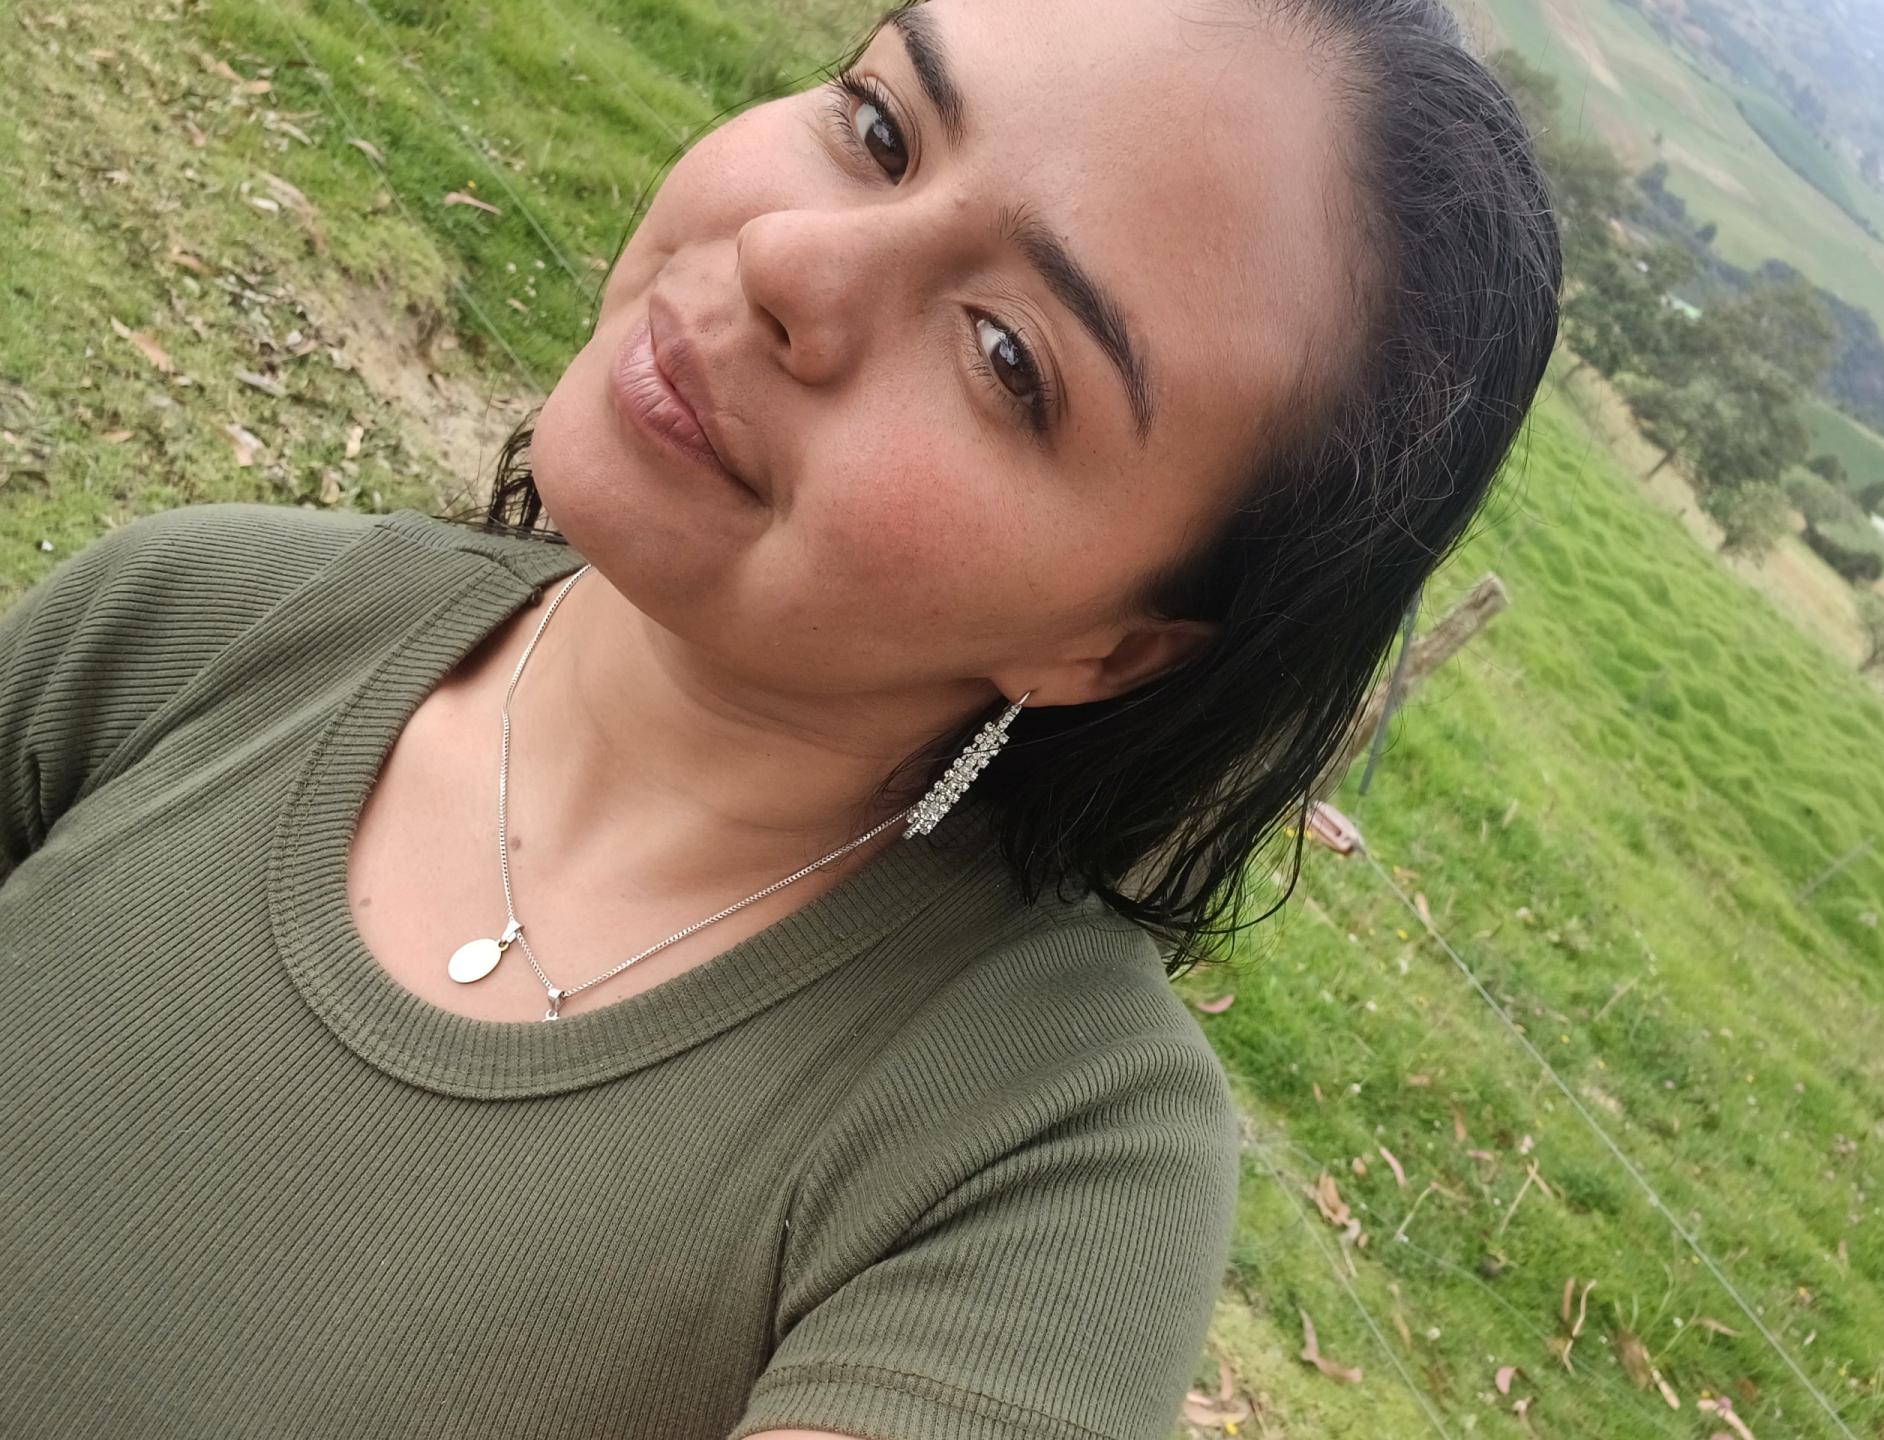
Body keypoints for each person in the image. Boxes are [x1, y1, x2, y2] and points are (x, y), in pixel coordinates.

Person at [0, 0, 1558, 1433]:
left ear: (1113, 646)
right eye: (879, 128)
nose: (792, 260)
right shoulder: (186, 620)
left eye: (1007, 356)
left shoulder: (1049, 1159)